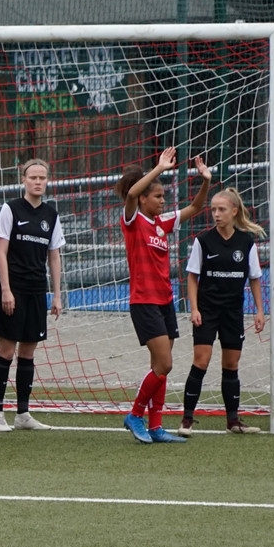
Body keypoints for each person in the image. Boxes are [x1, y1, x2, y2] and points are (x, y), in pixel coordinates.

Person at [116, 148, 211, 444]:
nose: (162, 201)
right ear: (144, 199)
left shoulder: (162, 222)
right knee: (165, 364)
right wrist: (158, 169)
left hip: (165, 301)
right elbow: (132, 193)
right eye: (157, 196)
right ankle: (135, 415)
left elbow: (195, 207)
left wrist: (206, 180)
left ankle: (156, 426)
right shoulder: (133, 219)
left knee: (160, 366)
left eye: (163, 197)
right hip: (144, 301)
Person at [180, 187, 265, 436]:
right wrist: (194, 308)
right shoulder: (203, 241)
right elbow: (192, 276)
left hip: (233, 312)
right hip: (207, 311)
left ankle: (233, 421)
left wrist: (260, 310)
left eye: (221, 209)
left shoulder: (246, 242)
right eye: (213, 209)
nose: (216, 214)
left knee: (231, 363)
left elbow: (255, 278)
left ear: (234, 211)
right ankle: (186, 419)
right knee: (201, 361)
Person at [0, 159, 65, 432]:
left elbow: (54, 255)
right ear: (24, 179)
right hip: (14, 289)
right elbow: (0, 251)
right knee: (6, 350)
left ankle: (23, 413)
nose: (38, 182)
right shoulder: (10, 209)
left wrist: (56, 295)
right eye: (33, 177)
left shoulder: (51, 215)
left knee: (29, 351)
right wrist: (6, 289)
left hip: (36, 290)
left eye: (42, 177)